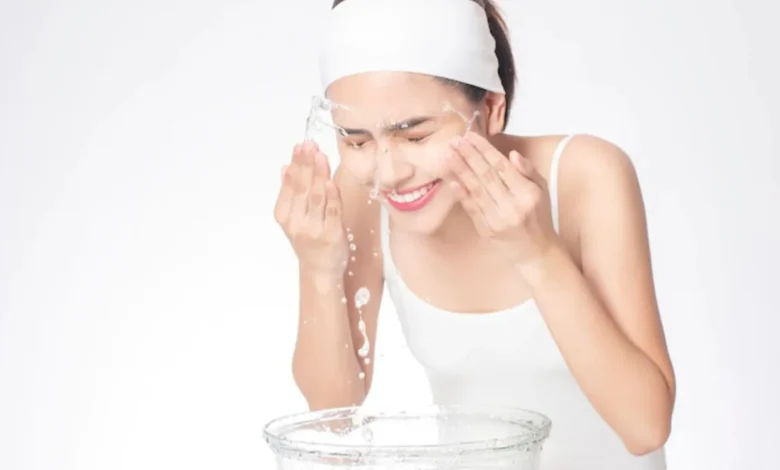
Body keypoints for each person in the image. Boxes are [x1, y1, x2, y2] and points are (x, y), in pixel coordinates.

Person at [273, 0, 675, 468]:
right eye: (356, 140)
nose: (388, 171)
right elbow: (332, 416)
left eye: (415, 136)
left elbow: (645, 428)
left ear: (491, 108)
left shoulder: (585, 175)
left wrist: (539, 255)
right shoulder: (362, 194)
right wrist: (318, 270)